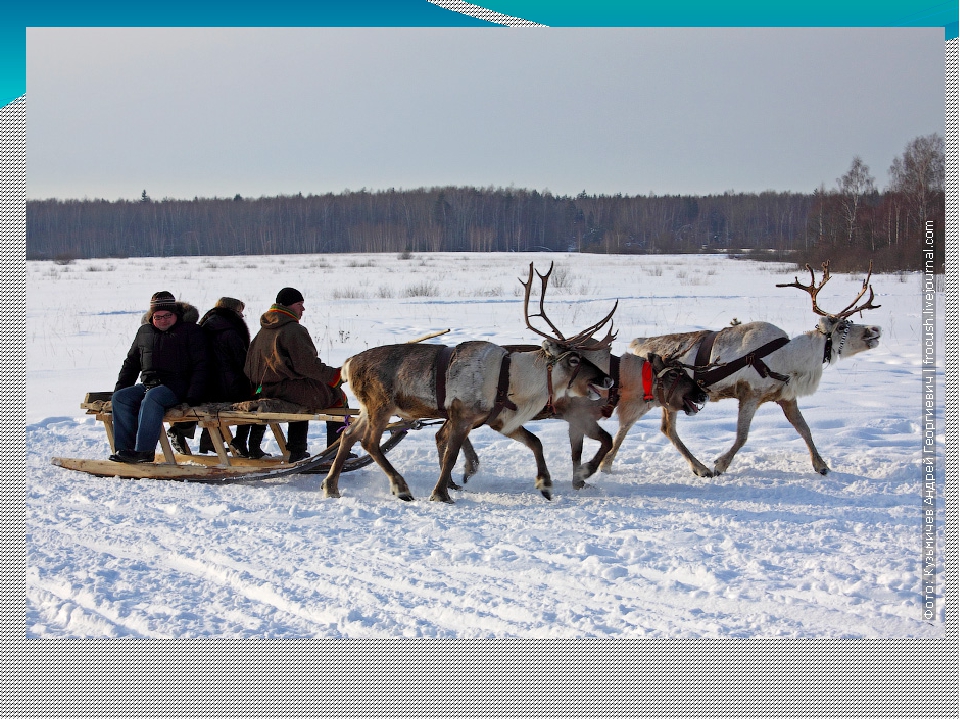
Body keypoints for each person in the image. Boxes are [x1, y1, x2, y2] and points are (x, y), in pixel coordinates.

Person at [244, 287, 346, 463]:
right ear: (289, 306)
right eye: (300, 304)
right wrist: (336, 376)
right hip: (285, 388)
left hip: (264, 389)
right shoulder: (293, 329)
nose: (303, 309)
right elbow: (308, 366)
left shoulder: (264, 330)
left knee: (303, 396)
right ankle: (337, 450)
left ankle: (297, 450)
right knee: (338, 397)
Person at [110, 291, 209, 463]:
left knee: (153, 398)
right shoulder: (144, 332)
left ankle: (144, 451)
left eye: (167, 316)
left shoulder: (191, 331)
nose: (163, 320)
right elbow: (131, 363)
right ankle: (125, 450)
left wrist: (194, 394)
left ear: (175, 314)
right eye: (158, 317)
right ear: (151, 316)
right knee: (121, 398)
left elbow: (202, 365)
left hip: (177, 387)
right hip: (149, 384)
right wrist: (120, 388)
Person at [194, 297, 267, 458]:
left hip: (206, 386)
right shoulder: (230, 331)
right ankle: (242, 441)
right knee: (257, 398)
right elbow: (242, 361)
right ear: (233, 312)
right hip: (228, 386)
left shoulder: (204, 327)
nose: (242, 317)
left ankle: (208, 445)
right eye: (240, 313)